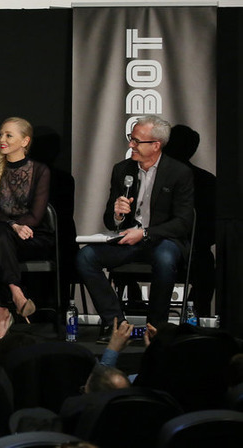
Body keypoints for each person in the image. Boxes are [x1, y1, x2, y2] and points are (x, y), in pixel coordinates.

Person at [76, 115, 194, 335]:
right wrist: (118, 215)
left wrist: (146, 233)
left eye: (136, 141)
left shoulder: (179, 173)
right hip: (129, 240)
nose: (131, 145)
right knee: (86, 257)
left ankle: (155, 328)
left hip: (163, 240)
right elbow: (110, 220)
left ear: (156, 145)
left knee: (165, 258)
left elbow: (183, 222)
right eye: (131, 139)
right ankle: (116, 324)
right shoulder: (122, 170)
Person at [0, 117, 53, 343]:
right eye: (1, 134)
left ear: (25, 141)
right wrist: (13, 225)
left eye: (9, 135)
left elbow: (37, 215)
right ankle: (16, 294)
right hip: (5, 231)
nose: (2, 139)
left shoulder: (40, 170)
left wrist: (20, 227)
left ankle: (3, 311)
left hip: (32, 236)